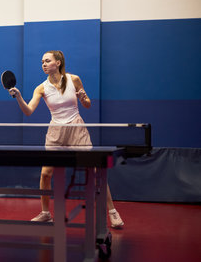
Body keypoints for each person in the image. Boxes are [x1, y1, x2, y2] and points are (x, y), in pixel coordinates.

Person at [7, 50, 124, 228]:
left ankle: (112, 212)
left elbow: (87, 104)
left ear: (58, 62)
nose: (44, 64)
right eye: (42, 62)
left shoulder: (74, 79)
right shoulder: (41, 88)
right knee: (46, 173)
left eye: (47, 61)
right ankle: (46, 213)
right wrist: (19, 97)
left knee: (94, 171)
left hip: (76, 128)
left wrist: (84, 98)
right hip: (55, 132)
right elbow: (28, 111)